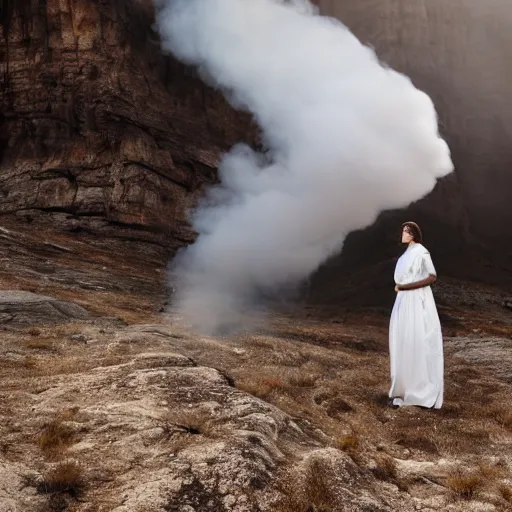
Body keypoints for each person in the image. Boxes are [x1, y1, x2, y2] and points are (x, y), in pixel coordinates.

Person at [388, 221, 443, 409]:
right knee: (403, 339)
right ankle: (403, 388)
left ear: (413, 234)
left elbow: (431, 276)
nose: (402, 234)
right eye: (403, 230)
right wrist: (402, 288)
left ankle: (419, 389)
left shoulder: (421, 252)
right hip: (404, 300)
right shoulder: (406, 255)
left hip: (417, 300)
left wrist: (406, 287)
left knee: (416, 338)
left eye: (406, 231)